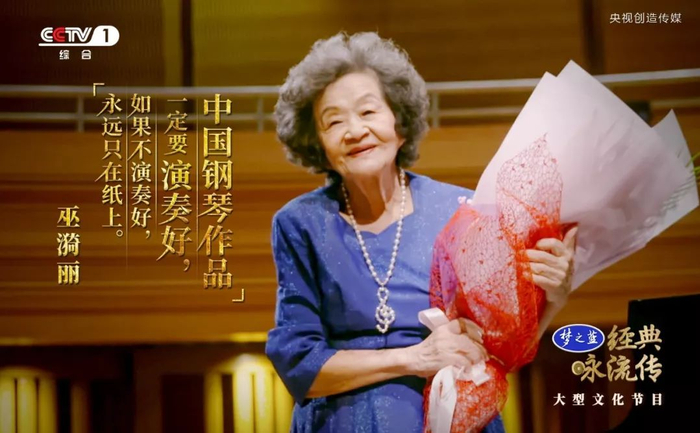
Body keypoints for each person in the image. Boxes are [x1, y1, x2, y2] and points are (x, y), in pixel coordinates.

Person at [265, 31, 577, 433]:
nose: (354, 130)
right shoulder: (299, 223)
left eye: (368, 112)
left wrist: (554, 297)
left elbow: (504, 348)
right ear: (317, 143)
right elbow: (298, 363)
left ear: (400, 122)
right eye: (334, 121)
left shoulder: (462, 210)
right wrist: (416, 358)